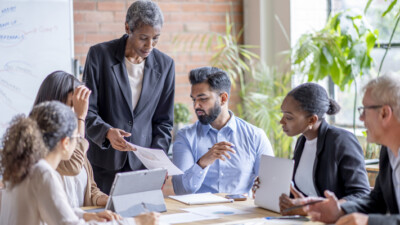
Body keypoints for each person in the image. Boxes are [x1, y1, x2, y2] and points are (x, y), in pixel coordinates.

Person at [0, 101, 159, 225]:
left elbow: (55, 210)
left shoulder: (26, 167)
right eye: (77, 138)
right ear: (65, 142)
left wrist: (87, 215)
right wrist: (135, 221)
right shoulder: (42, 173)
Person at [83, 0, 175, 194]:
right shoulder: (99, 55)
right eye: (143, 37)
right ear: (127, 28)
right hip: (105, 165)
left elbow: (164, 122)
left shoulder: (166, 65)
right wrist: (107, 132)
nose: (150, 45)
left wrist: (158, 160)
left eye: (156, 38)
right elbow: (87, 110)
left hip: (143, 167)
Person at [304, 74, 400, 225]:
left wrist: (369, 222)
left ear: (384, 113)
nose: (361, 118)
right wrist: (340, 210)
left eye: (364, 110)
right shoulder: (388, 152)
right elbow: (377, 200)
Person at [172, 67, 274, 195]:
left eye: (202, 99)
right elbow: (181, 191)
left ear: (223, 99)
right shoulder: (185, 136)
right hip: (201, 214)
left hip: (241, 213)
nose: (196, 106)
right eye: (194, 99)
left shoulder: (255, 136)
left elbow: (271, 186)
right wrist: (203, 162)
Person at [275, 83, 370, 215]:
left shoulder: (341, 140)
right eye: (283, 114)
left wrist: (312, 208)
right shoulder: (302, 141)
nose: (281, 121)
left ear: (312, 120)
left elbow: (361, 195)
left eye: (289, 117)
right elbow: (302, 194)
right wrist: (270, 190)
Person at [34, 71, 108, 207]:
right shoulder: (38, 142)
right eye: (73, 103)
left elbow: (90, 189)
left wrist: (106, 200)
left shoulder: (72, 137)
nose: (77, 109)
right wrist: (81, 117)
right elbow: (73, 167)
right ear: (54, 102)